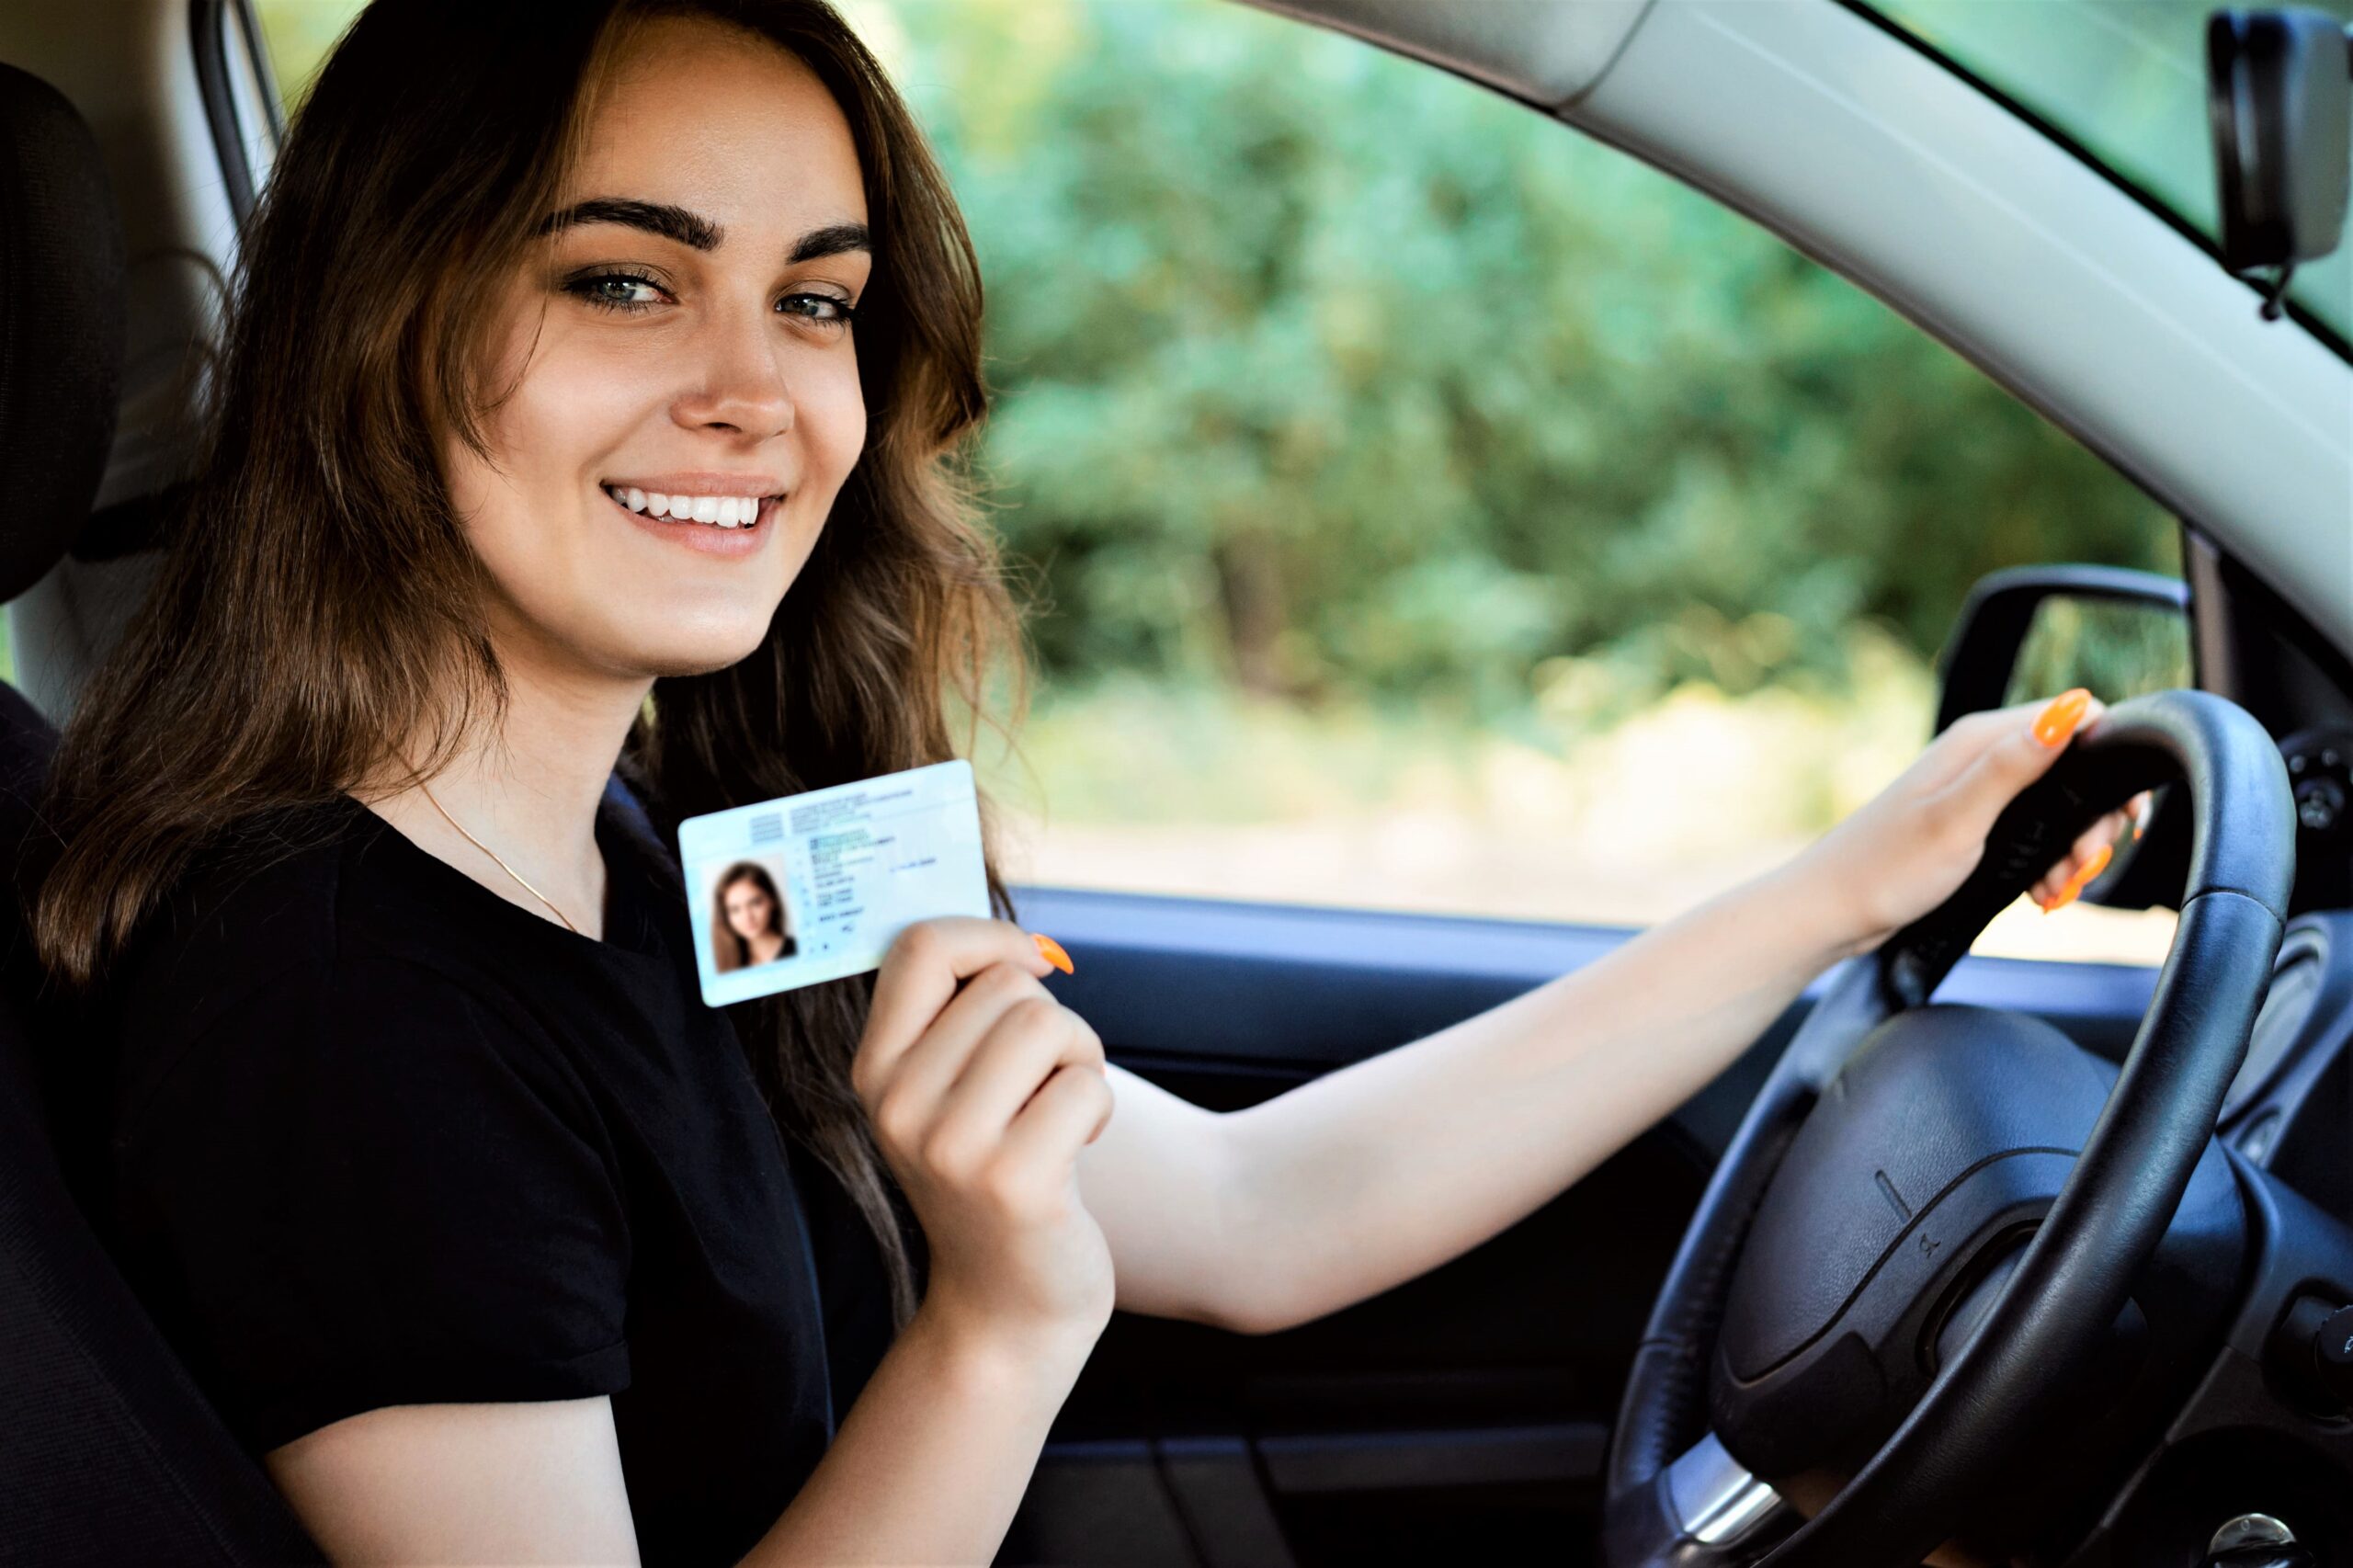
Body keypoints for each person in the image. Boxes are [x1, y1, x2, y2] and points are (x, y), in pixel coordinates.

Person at [28, 2, 2145, 1563]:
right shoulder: (332, 1004)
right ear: (374, 331)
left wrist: (1841, 884)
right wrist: (999, 1320)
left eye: (815, 300)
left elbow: (1252, 1207)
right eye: (622, 278)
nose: (756, 394)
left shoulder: (648, 857)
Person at [713, 861, 798, 971]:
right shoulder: (725, 964)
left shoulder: (798, 949)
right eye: (735, 909)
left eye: (755, 903)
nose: (747, 917)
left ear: (772, 900)